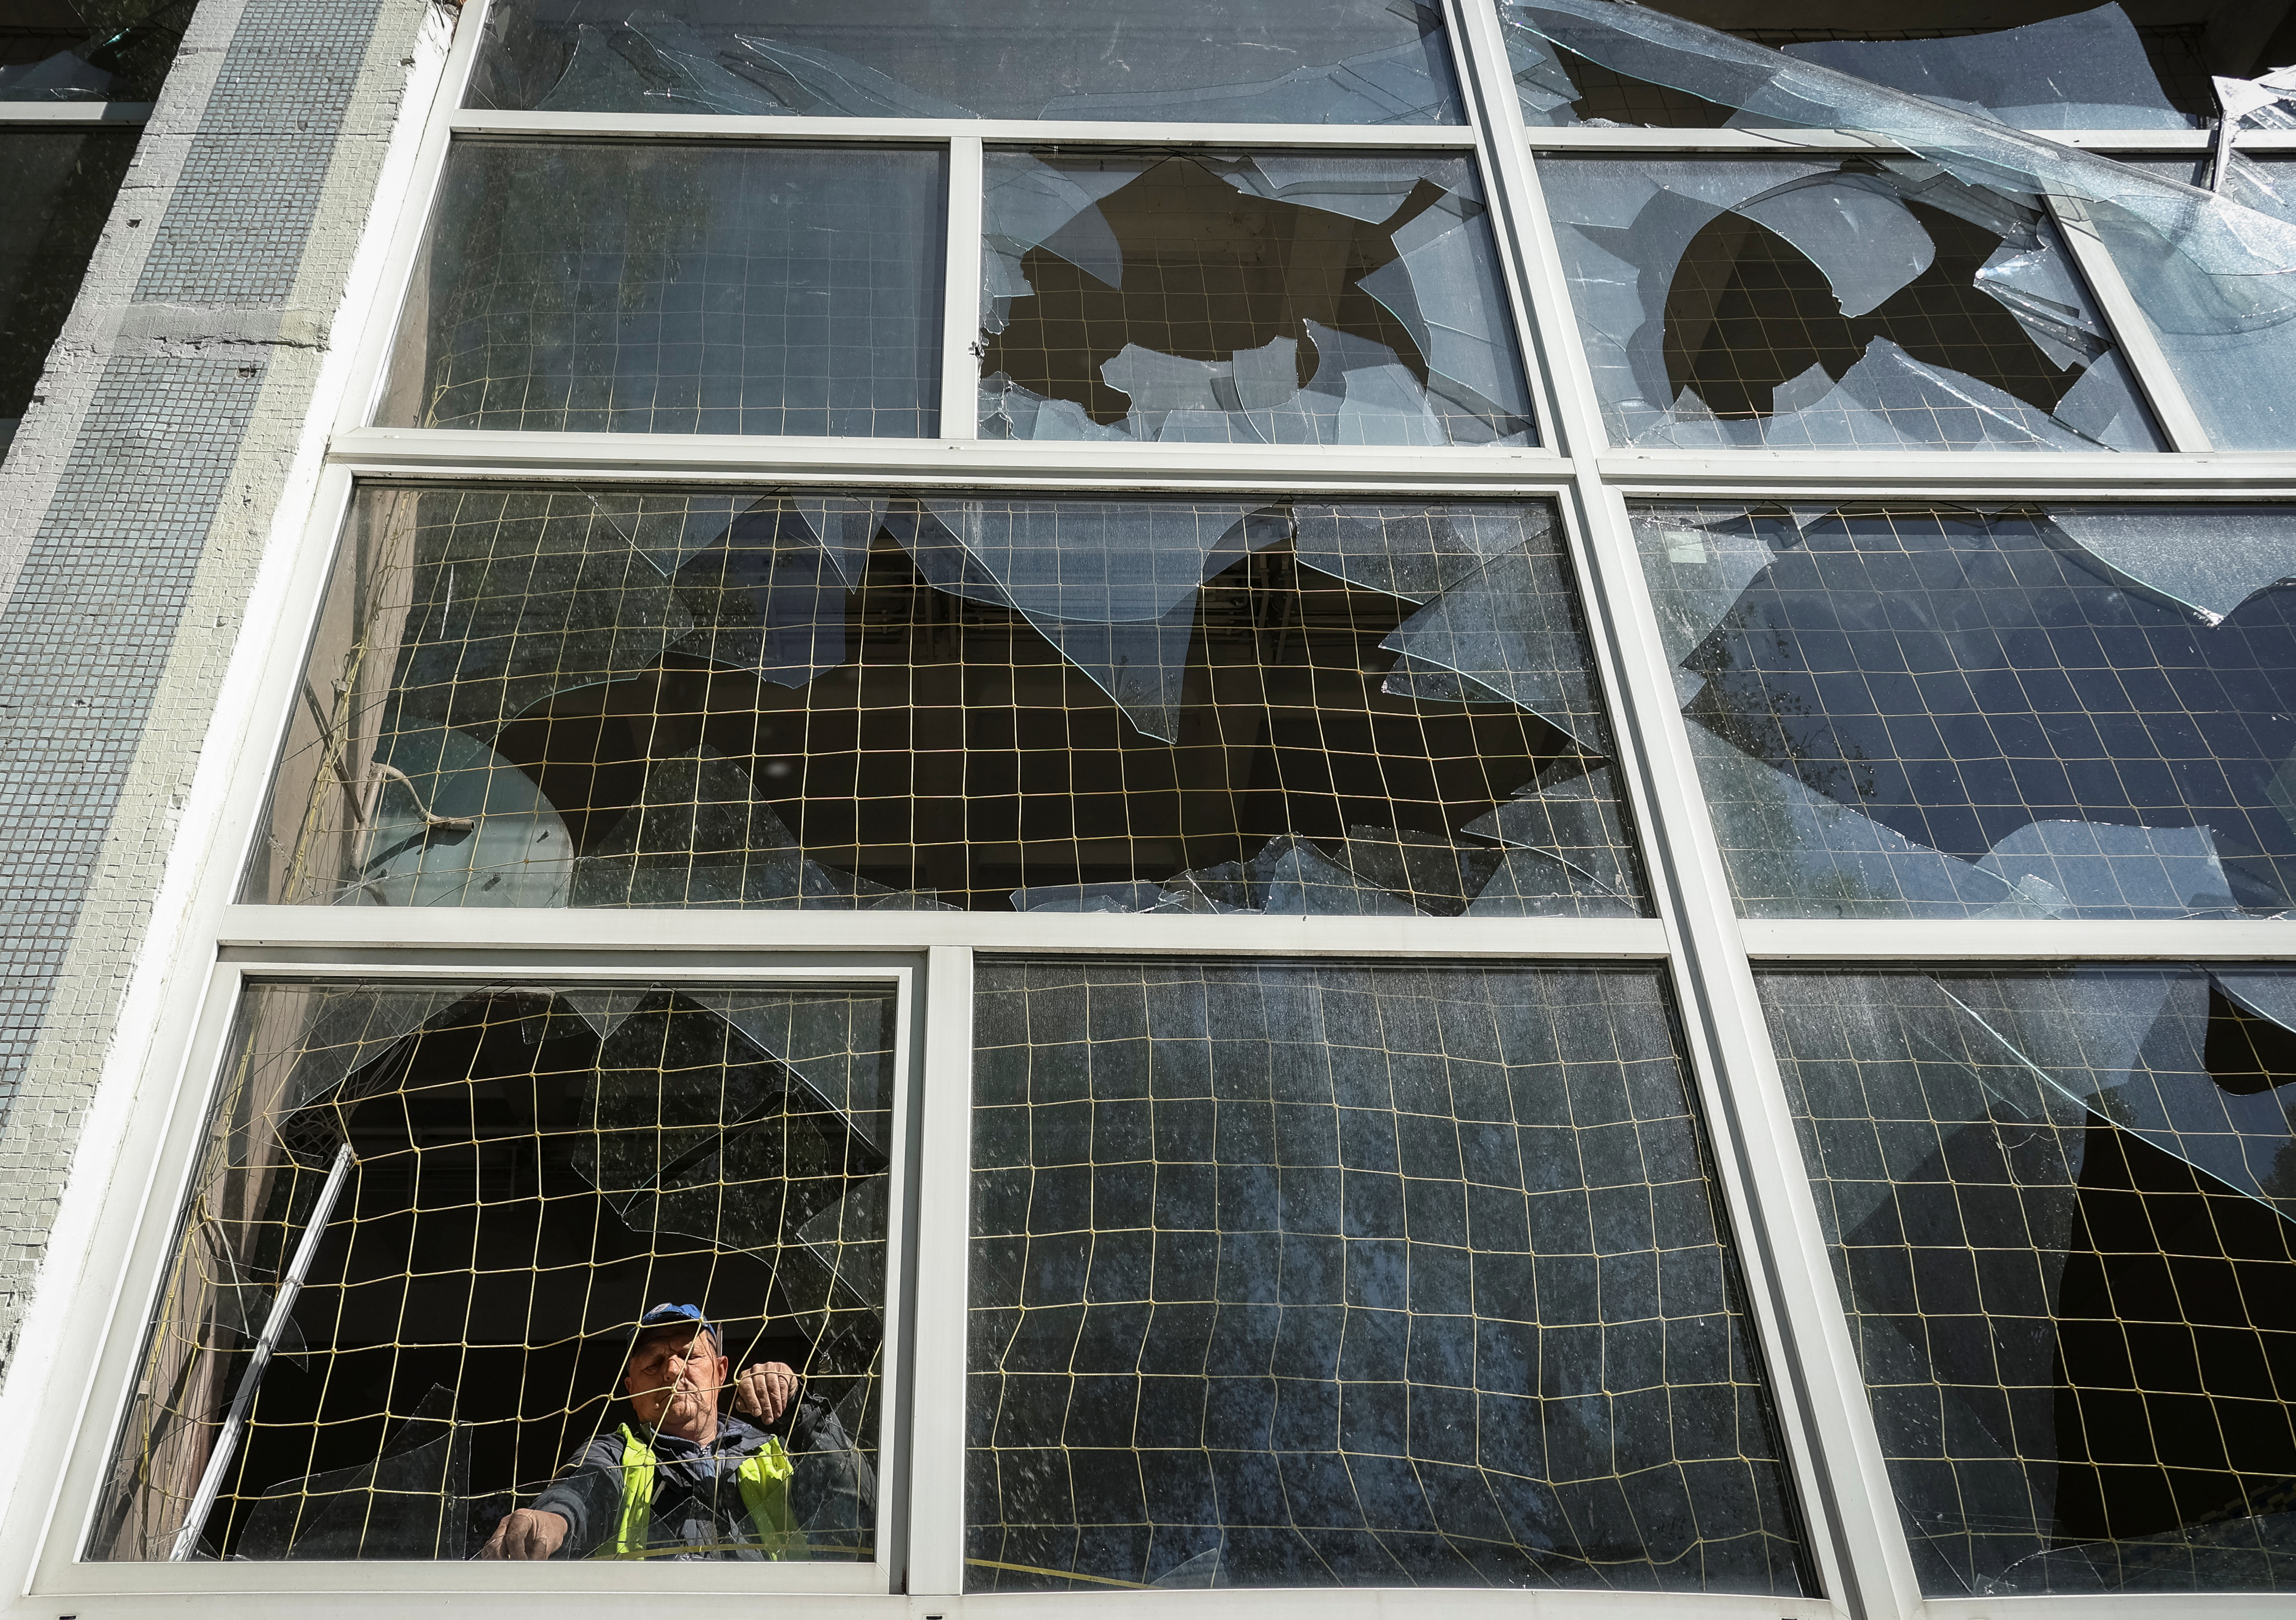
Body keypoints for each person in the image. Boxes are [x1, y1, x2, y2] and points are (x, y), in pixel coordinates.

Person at [480, 1302, 872, 1561]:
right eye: (653, 1363)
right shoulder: (616, 1451)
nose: (671, 1370)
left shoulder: (776, 1453)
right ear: (632, 1392)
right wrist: (551, 1520)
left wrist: (799, 1409)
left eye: (689, 1356)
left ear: (721, 1372)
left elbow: (861, 1516)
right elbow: (583, 1490)